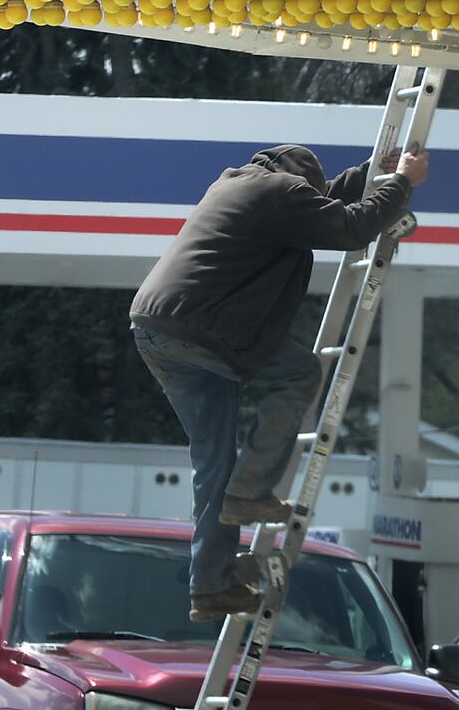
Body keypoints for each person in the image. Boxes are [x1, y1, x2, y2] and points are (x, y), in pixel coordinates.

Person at [130, 142, 428, 620]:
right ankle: (249, 491)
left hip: (156, 330)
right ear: (301, 179)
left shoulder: (238, 184)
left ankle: (210, 586)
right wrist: (402, 184)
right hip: (204, 328)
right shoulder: (284, 194)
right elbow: (350, 227)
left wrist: (373, 170)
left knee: (213, 463)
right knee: (300, 371)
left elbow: (322, 200)